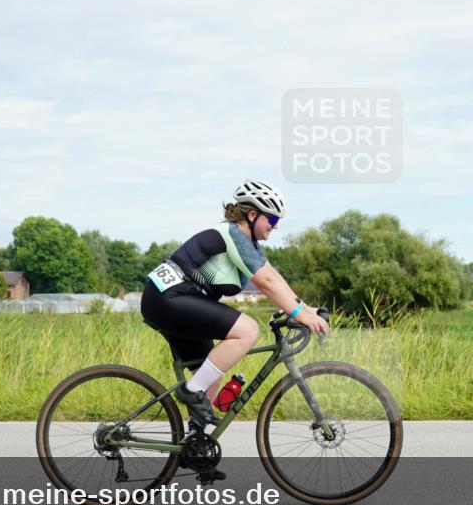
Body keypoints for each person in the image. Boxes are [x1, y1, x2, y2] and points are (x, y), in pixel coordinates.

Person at [140, 180, 330, 428]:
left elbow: (275, 277)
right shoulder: (234, 234)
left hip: (175, 300)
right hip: (169, 298)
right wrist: (300, 315)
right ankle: (189, 391)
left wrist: (305, 309)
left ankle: (197, 447)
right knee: (248, 330)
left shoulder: (247, 243)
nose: (275, 226)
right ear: (252, 215)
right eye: (272, 220)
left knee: (211, 375)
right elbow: (266, 283)